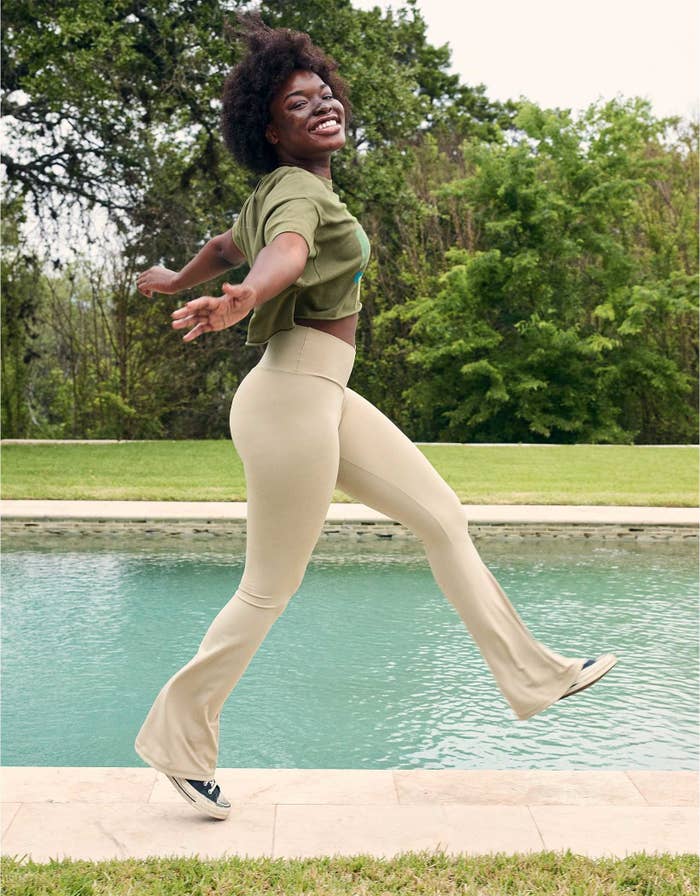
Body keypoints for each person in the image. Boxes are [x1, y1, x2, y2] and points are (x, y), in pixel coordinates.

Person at [134, 18, 618, 822]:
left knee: (442, 518)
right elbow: (277, 253)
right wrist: (249, 295)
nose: (322, 105)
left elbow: (227, 244)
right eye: (299, 102)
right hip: (291, 397)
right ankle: (178, 743)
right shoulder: (293, 194)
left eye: (325, 93)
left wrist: (173, 276)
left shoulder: (290, 190)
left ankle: (535, 675)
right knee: (269, 587)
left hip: (317, 395)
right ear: (271, 128)